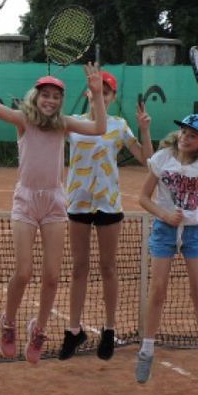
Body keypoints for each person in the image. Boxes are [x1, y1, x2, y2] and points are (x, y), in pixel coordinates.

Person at [0, 48, 107, 364]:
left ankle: (39, 328)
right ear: (36, 96)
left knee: (51, 276)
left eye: (56, 96)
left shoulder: (64, 124)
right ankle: (8, 322)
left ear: (61, 101)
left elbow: (99, 128)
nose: (50, 100)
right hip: (26, 200)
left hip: (54, 203)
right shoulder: (23, 120)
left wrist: (98, 95)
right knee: (23, 271)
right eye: (45, 95)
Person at [135, 113, 198, 385]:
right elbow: (143, 198)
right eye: (183, 132)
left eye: (192, 135)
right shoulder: (162, 158)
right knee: (157, 289)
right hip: (164, 229)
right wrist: (165, 215)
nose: (184, 137)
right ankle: (146, 351)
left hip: (195, 231)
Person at [59, 71, 154, 361]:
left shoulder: (119, 125)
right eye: (97, 90)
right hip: (77, 202)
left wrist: (145, 130)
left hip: (109, 204)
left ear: (112, 97)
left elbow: (148, 161)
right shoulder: (72, 124)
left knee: (108, 267)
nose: (102, 94)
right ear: (89, 92)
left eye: (107, 91)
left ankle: (109, 329)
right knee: (78, 268)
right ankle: (74, 331)